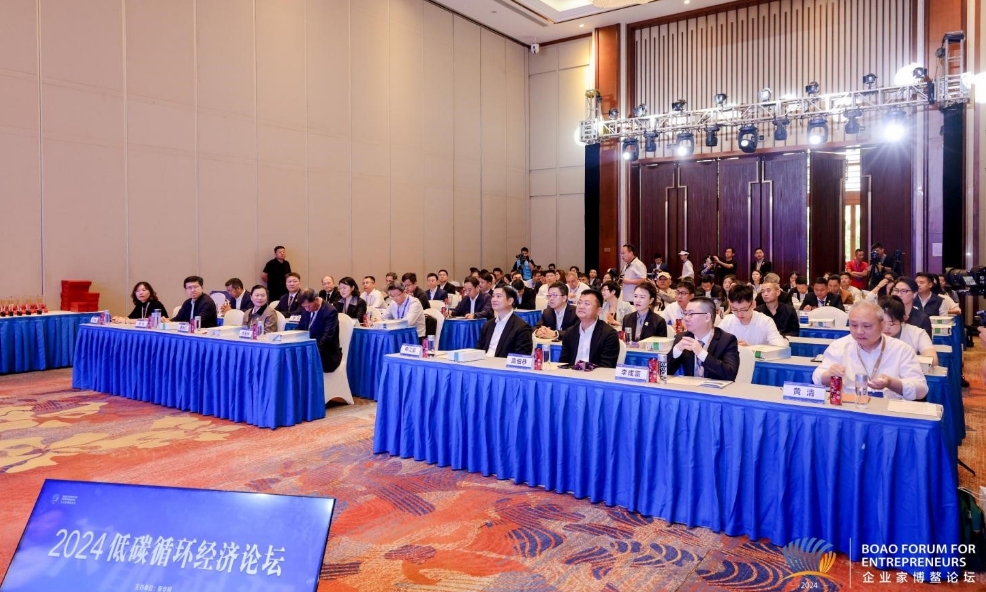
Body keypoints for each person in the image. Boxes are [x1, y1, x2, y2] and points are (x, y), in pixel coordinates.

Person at [812, 301, 928, 400]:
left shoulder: (901, 349)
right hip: (850, 409)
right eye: (854, 325)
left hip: (888, 412)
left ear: (882, 325)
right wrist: (829, 374)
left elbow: (921, 390)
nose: (859, 331)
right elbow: (817, 378)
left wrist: (890, 383)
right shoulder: (839, 346)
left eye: (866, 326)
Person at [667, 297, 740, 380]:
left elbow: (730, 375)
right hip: (689, 387)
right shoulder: (682, 338)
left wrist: (701, 353)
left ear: (707, 317)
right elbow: (664, 373)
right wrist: (676, 351)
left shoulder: (727, 340)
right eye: (685, 313)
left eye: (691, 314)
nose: (686, 318)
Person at [558, 289, 620, 368]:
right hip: (571, 374)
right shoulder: (570, 332)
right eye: (579, 302)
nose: (581, 306)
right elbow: (563, 363)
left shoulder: (609, 334)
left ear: (598, 310)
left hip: (595, 375)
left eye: (587, 304)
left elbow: (606, 367)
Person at [718, 284, 788, 347]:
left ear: (753, 304)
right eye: (735, 309)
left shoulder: (765, 321)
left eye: (744, 309)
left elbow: (781, 347)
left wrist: (751, 349)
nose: (739, 314)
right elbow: (714, 342)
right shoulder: (727, 321)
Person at [475, 285, 534, 357]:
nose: (494, 299)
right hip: (483, 361)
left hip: (503, 363)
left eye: (498, 296)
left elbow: (521, 357)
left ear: (510, 301)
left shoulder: (522, 327)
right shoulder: (488, 325)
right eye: (493, 296)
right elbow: (478, 350)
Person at [880, 296, 938, 364]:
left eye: (891, 323)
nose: (886, 328)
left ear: (903, 319)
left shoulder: (917, 333)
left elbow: (932, 360)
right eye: (882, 323)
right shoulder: (871, 333)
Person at [296, 289, 342, 373]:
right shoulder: (306, 309)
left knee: (301, 364)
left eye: (308, 306)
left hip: (325, 353)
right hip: (309, 349)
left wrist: (310, 351)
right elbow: (300, 327)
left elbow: (326, 338)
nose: (307, 309)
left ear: (316, 299)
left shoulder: (330, 311)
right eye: (304, 307)